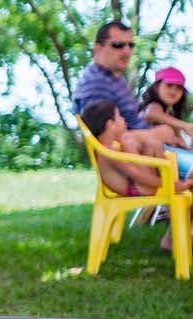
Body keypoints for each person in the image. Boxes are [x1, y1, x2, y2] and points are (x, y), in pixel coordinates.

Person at [81, 101, 191, 252]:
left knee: (150, 143)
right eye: (119, 117)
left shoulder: (109, 148)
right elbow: (138, 175)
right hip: (139, 188)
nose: (123, 120)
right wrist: (168, 185)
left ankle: (176, 235)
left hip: (139, 185)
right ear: (110, 124)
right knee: (135, 141)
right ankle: (178, 233)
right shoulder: (109, 153)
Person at [71, 21, 178, 154]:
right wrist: (154, 134)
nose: (127, 51)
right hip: (139, 156)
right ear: (98, 49)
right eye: (118, 45)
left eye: (130, 45)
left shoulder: (114, 78)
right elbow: (102, 139)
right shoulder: (96, 83)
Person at [138, 66, 192, 144]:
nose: (173, 91)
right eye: (169, 85)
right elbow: (151, 114)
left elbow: (180, 140)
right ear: (156, 87)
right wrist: (184, 125)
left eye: (179, 88)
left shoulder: (170, 116)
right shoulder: (154, 105)